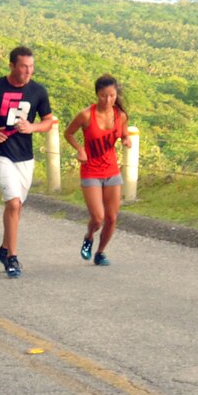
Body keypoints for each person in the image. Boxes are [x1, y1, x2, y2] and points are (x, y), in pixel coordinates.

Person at [0, 45, 54, 278]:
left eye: (32, 67)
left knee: (16, 206)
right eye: (24, 66)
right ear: (12, 66)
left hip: (25, 157)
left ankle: (4, 249)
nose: (28, 71)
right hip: (0, 153)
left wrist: (32, 127)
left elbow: (48, 121)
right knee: (14, 203)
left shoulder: (38, 91)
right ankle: (12, 259)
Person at [63, 75, 128, 266]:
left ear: (116, 95)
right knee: (98, 218)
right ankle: (89, 236)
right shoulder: (85, 115)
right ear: (96, 95)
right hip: (91, 170)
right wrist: (80, 149)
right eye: (103, 96)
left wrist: (126, 139)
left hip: (112, 171)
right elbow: (68, 133)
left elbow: (123, 132)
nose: (107, 100)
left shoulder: (120, 115)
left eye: (111, 96)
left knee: (112, 218)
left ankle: (100, 252)